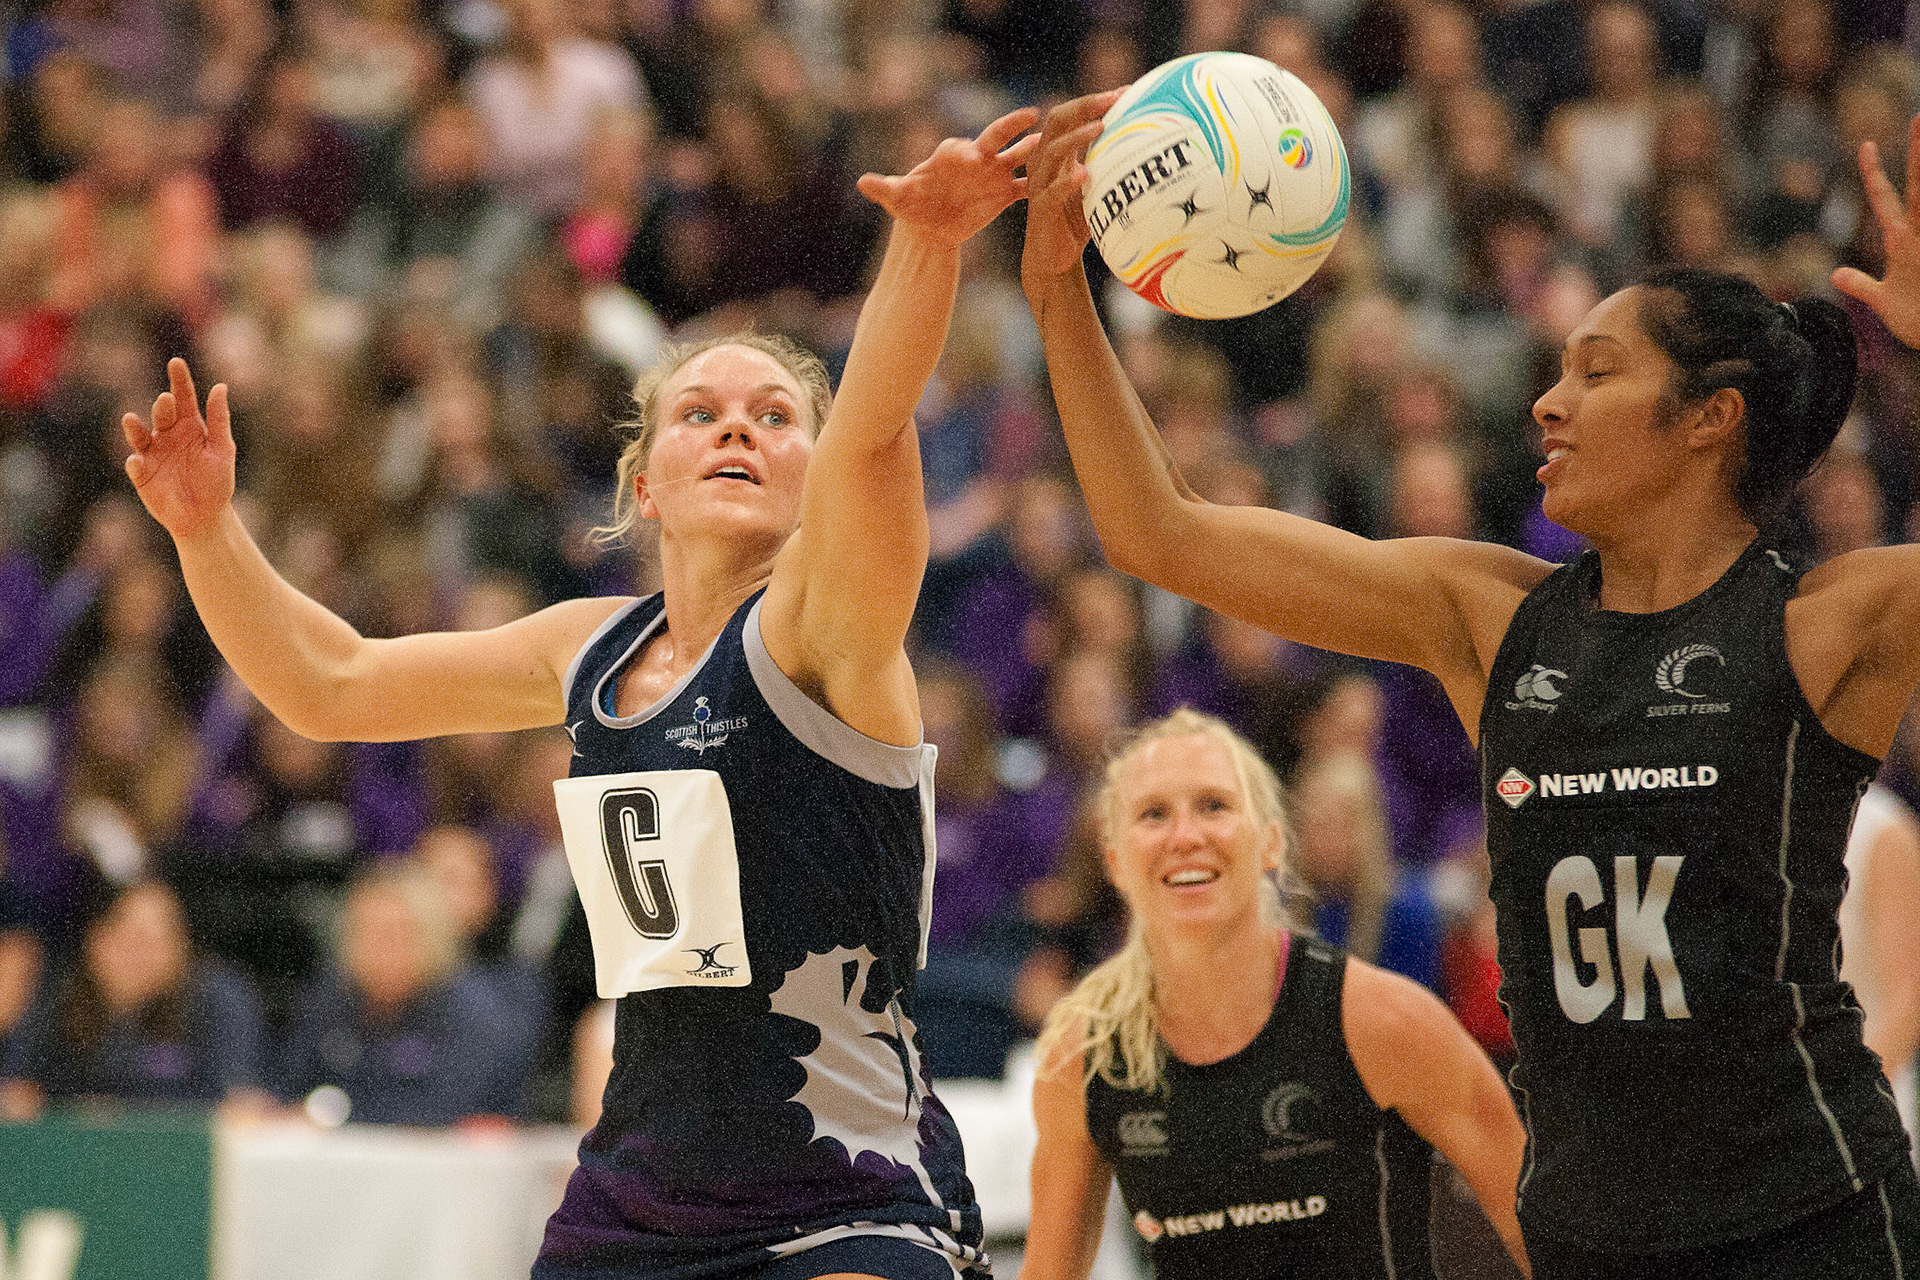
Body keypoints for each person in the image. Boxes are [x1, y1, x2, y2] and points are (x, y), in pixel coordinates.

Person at [121, 110, 1042, 1279]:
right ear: (645, 486)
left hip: (837, 1189)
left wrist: (925, 245)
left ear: (812, 477)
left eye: (773, 416)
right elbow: (331, 683)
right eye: (700, 415)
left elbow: (871, 441)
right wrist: (206, 533)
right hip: (636, 1194)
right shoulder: (589, 647)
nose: (737, 430)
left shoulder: (824, 628)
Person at [1021, 95, 1920, 1278]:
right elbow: (1160, 535)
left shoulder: (1827, 620)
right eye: (1555, 371)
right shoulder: (1488, 615)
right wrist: (1052, 288)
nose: (1548, 404)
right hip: (1589, 1230)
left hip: (1813, 1217)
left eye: (1596, 373)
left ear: (1712, 419)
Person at [1022, 709, 1528, 1279]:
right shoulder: (1083, 1056)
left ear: (1271, 843)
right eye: (1154, 814)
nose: (1186, 836)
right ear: (1114, 862)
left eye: (1214, 805)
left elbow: (1542, 1232)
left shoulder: (1382, 1019)